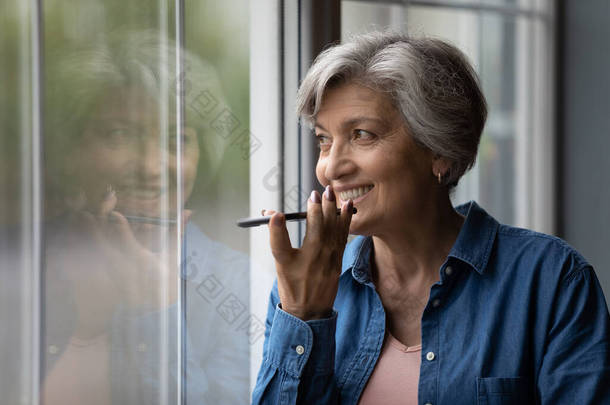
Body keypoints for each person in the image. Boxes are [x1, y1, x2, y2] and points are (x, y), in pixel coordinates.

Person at [252, 31, 610, 404]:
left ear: (439, 152)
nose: (330, 168)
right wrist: (304, 316)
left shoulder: (552, 281)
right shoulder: (303, 289)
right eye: (324, 140)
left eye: (361, 135)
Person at [40, 30, 250, 404]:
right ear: (71, 151)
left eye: (177, 139)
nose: (153, 167)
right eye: (120, 135)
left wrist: (157, 309)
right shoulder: (19, 261)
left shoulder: (236, 284)